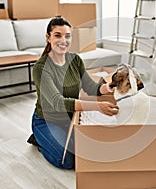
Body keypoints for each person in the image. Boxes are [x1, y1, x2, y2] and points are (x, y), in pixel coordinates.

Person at [27, 16, 119, 169]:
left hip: (70, 117)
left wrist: (108, 87)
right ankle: (40, 141)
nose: (63, 40)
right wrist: (97, 106)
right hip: (47, 121)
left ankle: (51, 141)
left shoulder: (75, 60)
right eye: (58, 35)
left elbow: (91, 87)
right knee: (67, 161)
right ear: (48, 37)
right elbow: (57, 102)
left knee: (88, 153)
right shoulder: (41, 68)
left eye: (67, 36)